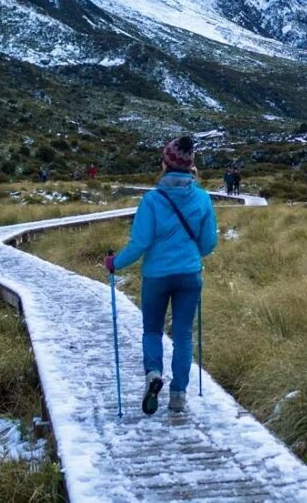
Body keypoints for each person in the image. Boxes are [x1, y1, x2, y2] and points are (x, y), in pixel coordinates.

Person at [105, 137, 217, 415]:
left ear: (165, 163)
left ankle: (153, 373)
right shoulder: (202, 198)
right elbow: (208, 244)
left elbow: (139, 244)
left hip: (156, 276)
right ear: (191, 165)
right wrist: (191, 253)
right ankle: (178, 394)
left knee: (153, 330)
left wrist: (114, 263)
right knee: (183, 335)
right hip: (189, 275)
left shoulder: (152, 200)